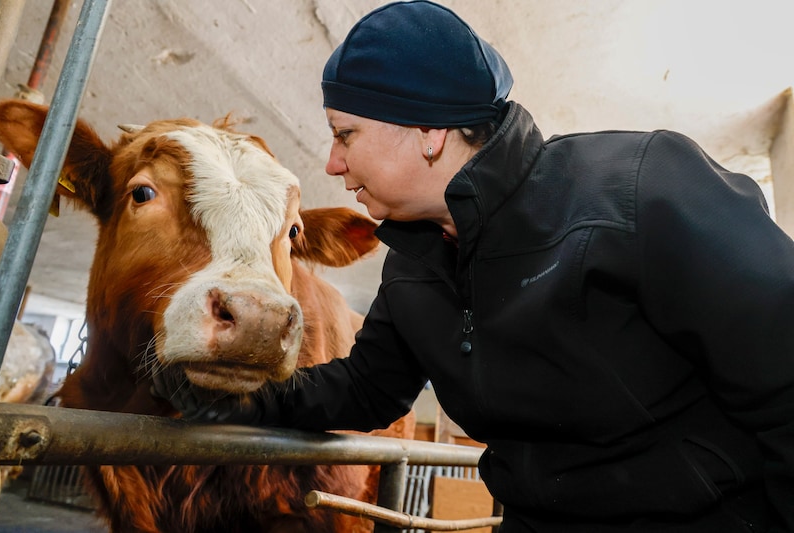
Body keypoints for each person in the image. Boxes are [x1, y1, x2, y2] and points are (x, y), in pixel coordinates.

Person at [151, 1, 794, 531]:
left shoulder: (640, 190)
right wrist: (218, 397)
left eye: (345, 134)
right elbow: (364, 389)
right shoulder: (415, 264)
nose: (331, 163)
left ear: (427, 131)